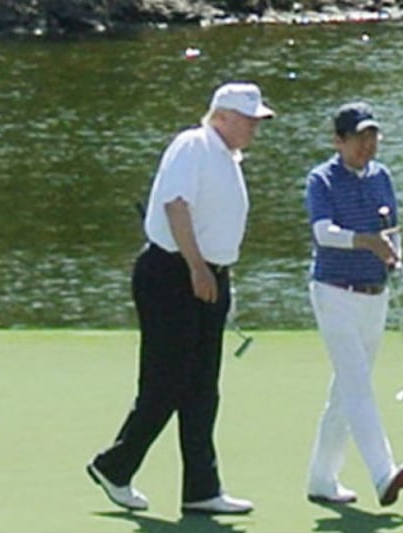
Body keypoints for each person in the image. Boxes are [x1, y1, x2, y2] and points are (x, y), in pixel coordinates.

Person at [86, 82, 273, 515]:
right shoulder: (194, 144)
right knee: (167, 381)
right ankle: (115, 466)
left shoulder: (227, 157)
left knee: (202, 388)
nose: (253, 129)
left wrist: (218, 274)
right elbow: (175, 205)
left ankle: (201, 489)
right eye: (248, 120)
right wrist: (196, 266)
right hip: (173, 275)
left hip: (208, 277)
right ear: (222, 116)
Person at [303, 102, 403, 507]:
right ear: (339, 141)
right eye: (358, 138)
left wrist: (394, 257)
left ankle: (321, 478)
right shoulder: (322, 179)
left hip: (374, 293)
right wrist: (365, 240)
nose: (367, 145)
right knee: (358, 385)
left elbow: (391, 229)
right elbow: (323, 233)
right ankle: (383, 473)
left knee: (346, 389)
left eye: (372, 136)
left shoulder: (382, 176)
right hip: (333, 291)